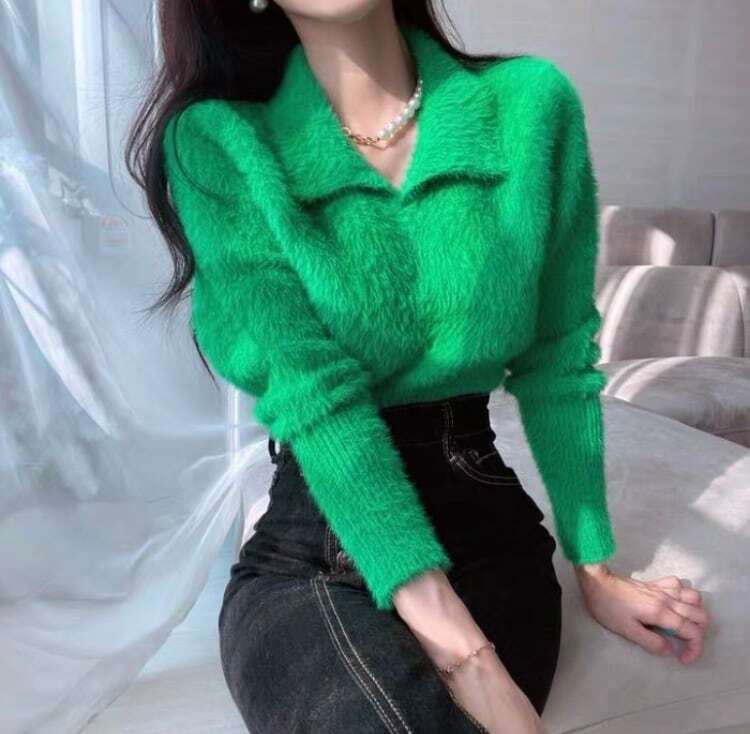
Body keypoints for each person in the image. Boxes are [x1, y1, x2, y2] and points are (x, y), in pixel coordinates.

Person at [127, 1, 710, 732]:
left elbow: (559, 358)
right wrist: (470, 657)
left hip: (487, 533)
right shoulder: (221, 142)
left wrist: (594, 567)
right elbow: (313, 393)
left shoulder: (531, 106)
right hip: (318, 540)